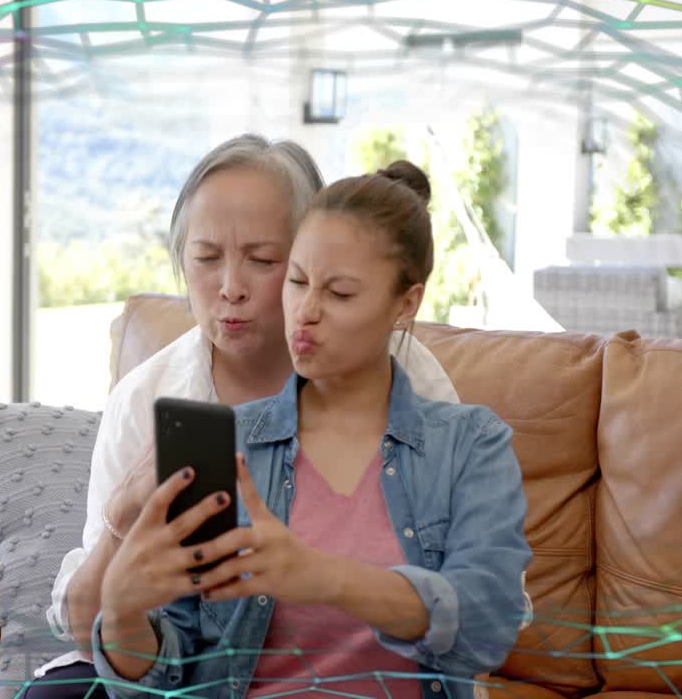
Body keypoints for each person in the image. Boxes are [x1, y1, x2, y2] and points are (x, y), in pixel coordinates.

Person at [25, 139, 460, 698]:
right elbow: (93, 633)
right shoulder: (147, 397)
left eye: (262, 260)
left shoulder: (399, 372)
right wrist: (122, 517)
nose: (230, 287)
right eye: (206, 258)